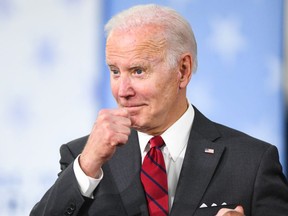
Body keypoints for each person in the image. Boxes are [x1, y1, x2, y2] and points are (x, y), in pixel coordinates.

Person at [30, 4, 288, 216]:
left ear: (183, 70)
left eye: (138, 71)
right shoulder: (83, 158)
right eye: (115, 71)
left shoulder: (251, 163)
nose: (122, 90)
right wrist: (86, 166)